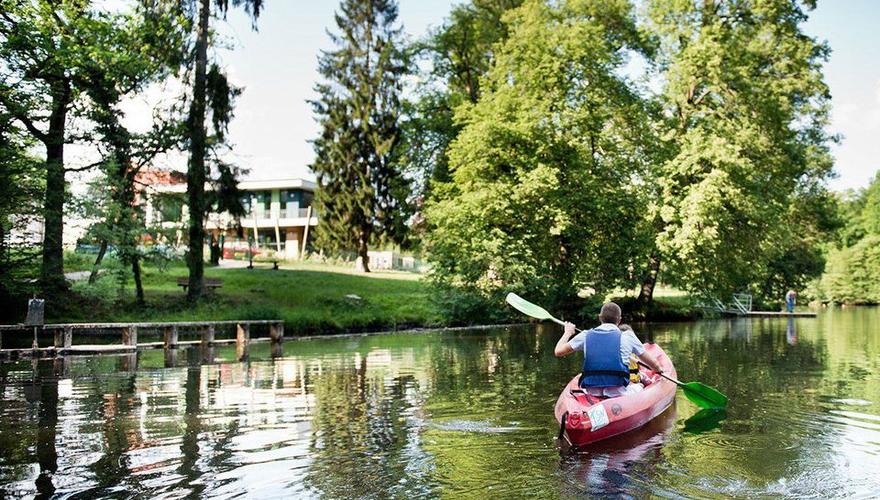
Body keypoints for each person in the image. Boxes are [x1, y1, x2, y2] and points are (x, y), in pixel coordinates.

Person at [554, 302, 664, 398]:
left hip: (592, 391)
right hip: (618, 391)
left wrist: (567, 332)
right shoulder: (628, 336)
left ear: (600, 317)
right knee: (640, 385)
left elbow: (558, 351)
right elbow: (654, 364)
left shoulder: (585, 335)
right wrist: (658, 370)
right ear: (619, 320)